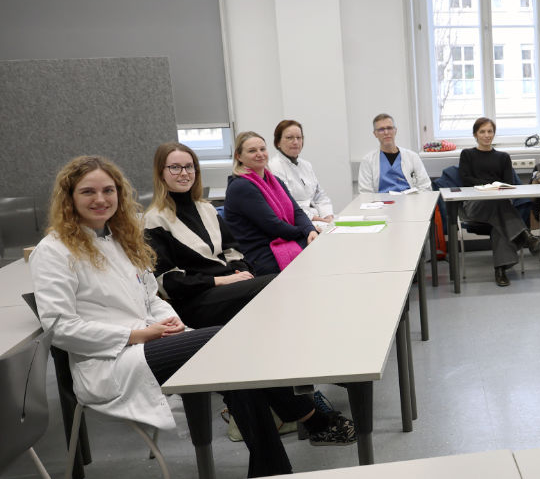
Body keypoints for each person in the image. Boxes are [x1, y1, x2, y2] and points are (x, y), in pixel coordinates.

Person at [30, 156, 355, 477]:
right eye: (88, 191)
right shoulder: (54, 251)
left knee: (235, 363)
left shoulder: (121, 240)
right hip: (109, 362)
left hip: (151, 342)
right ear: (69, 198)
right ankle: (300, 425)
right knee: (228, 341)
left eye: (108, 190)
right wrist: (137, 335)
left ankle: (273, 465)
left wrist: (174, 323)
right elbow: (59, 328)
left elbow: (150, 297)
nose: (100, 199)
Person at [144, 142, 276, 328]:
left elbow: (232, 251)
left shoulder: (207, 209)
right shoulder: (154, 220)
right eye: (175, 167)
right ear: (160, 173)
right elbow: (168, 283)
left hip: (229, 286)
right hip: (193, 302)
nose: (184, 173)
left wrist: (240, 273)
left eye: (189, 167)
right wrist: (221, 281)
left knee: (278, 284)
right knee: (273, 285)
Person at [459, 117, 540, 286]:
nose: (487, 135)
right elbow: (466, 179)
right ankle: (526, 236)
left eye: (490, 131)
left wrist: (492, 186)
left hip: (497, 204)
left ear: (494, 133)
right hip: (475, 205)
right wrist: (489, 184)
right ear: (475, 134)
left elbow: (507, 182)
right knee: (500, 205)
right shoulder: (467, 154)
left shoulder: (503, 157)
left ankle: (500, 271)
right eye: (482, 132)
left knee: (499, 220)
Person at [223, 131, 318, 275]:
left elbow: (296, 211)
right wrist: (305, 232)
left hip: (281, 240)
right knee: (318, 253)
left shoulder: (274, 180)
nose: (260, 154)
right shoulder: (241, 186)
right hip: (260, 254)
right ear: (238, 156)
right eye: (252, 151)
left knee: (319, 245)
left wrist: (310, 229)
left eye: (262, 149)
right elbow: (274, 225)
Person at [268, 119, 335, 231]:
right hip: (298, 222)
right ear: (278, 142)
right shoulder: (273, 167)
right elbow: (287, 204)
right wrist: (318, 219)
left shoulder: (306, 165)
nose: (295, 142)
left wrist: (328, 215)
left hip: (320, 218)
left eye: (299, 138)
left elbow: (320, 195)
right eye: (289, 138)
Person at [358, 113, 432, 194]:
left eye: (389, 128)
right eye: (381, 129)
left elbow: (425, 186)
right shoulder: (368, 161)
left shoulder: (412, 157)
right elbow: (365, 193)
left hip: (410, 200)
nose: (386, 132)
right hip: (381, 201)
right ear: (375, 134)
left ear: (395, 130)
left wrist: (415, 199)